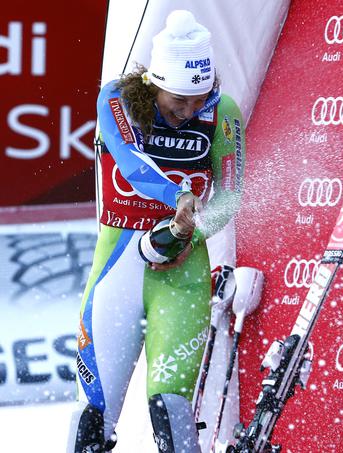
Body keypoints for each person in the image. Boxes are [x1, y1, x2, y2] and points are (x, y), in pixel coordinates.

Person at [68, 10, 246, 453]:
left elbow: (229, 197)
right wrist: (179, 197)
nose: (188, 112)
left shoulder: (221, 112)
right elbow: (131, 166)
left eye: (197, 99)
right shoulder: (118, 99)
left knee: (170, 406)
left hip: (182, 274)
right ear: (153, 85)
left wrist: (194, 228)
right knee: (94, 415)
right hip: (117, 269)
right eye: (177, 103)